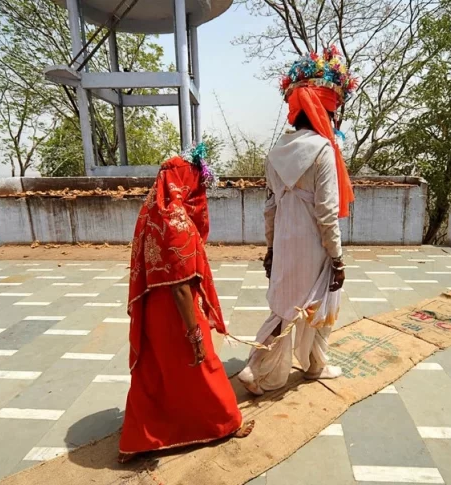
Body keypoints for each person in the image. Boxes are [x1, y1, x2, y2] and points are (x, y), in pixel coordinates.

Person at [118, 145, 254, 463]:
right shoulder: (177, 224)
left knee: (153, 373)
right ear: (185, 183)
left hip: (152, 308)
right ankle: (226, 423)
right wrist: (194, 333)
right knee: (203, 364)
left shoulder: (152, 212)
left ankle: (136, 441)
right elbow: (180, 286)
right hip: (175, 312)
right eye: (197, 183)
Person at [237, 47, 357, 395]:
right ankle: (279, 366)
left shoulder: (274, 154)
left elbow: (270, 209)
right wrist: (336, 257)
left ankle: (294, 365)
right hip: (313, 245)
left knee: (285, 307)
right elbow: (326, 212)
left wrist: (271, 249)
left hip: (286, 242)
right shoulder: (322, 151)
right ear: (327, 112)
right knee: (318, 304)